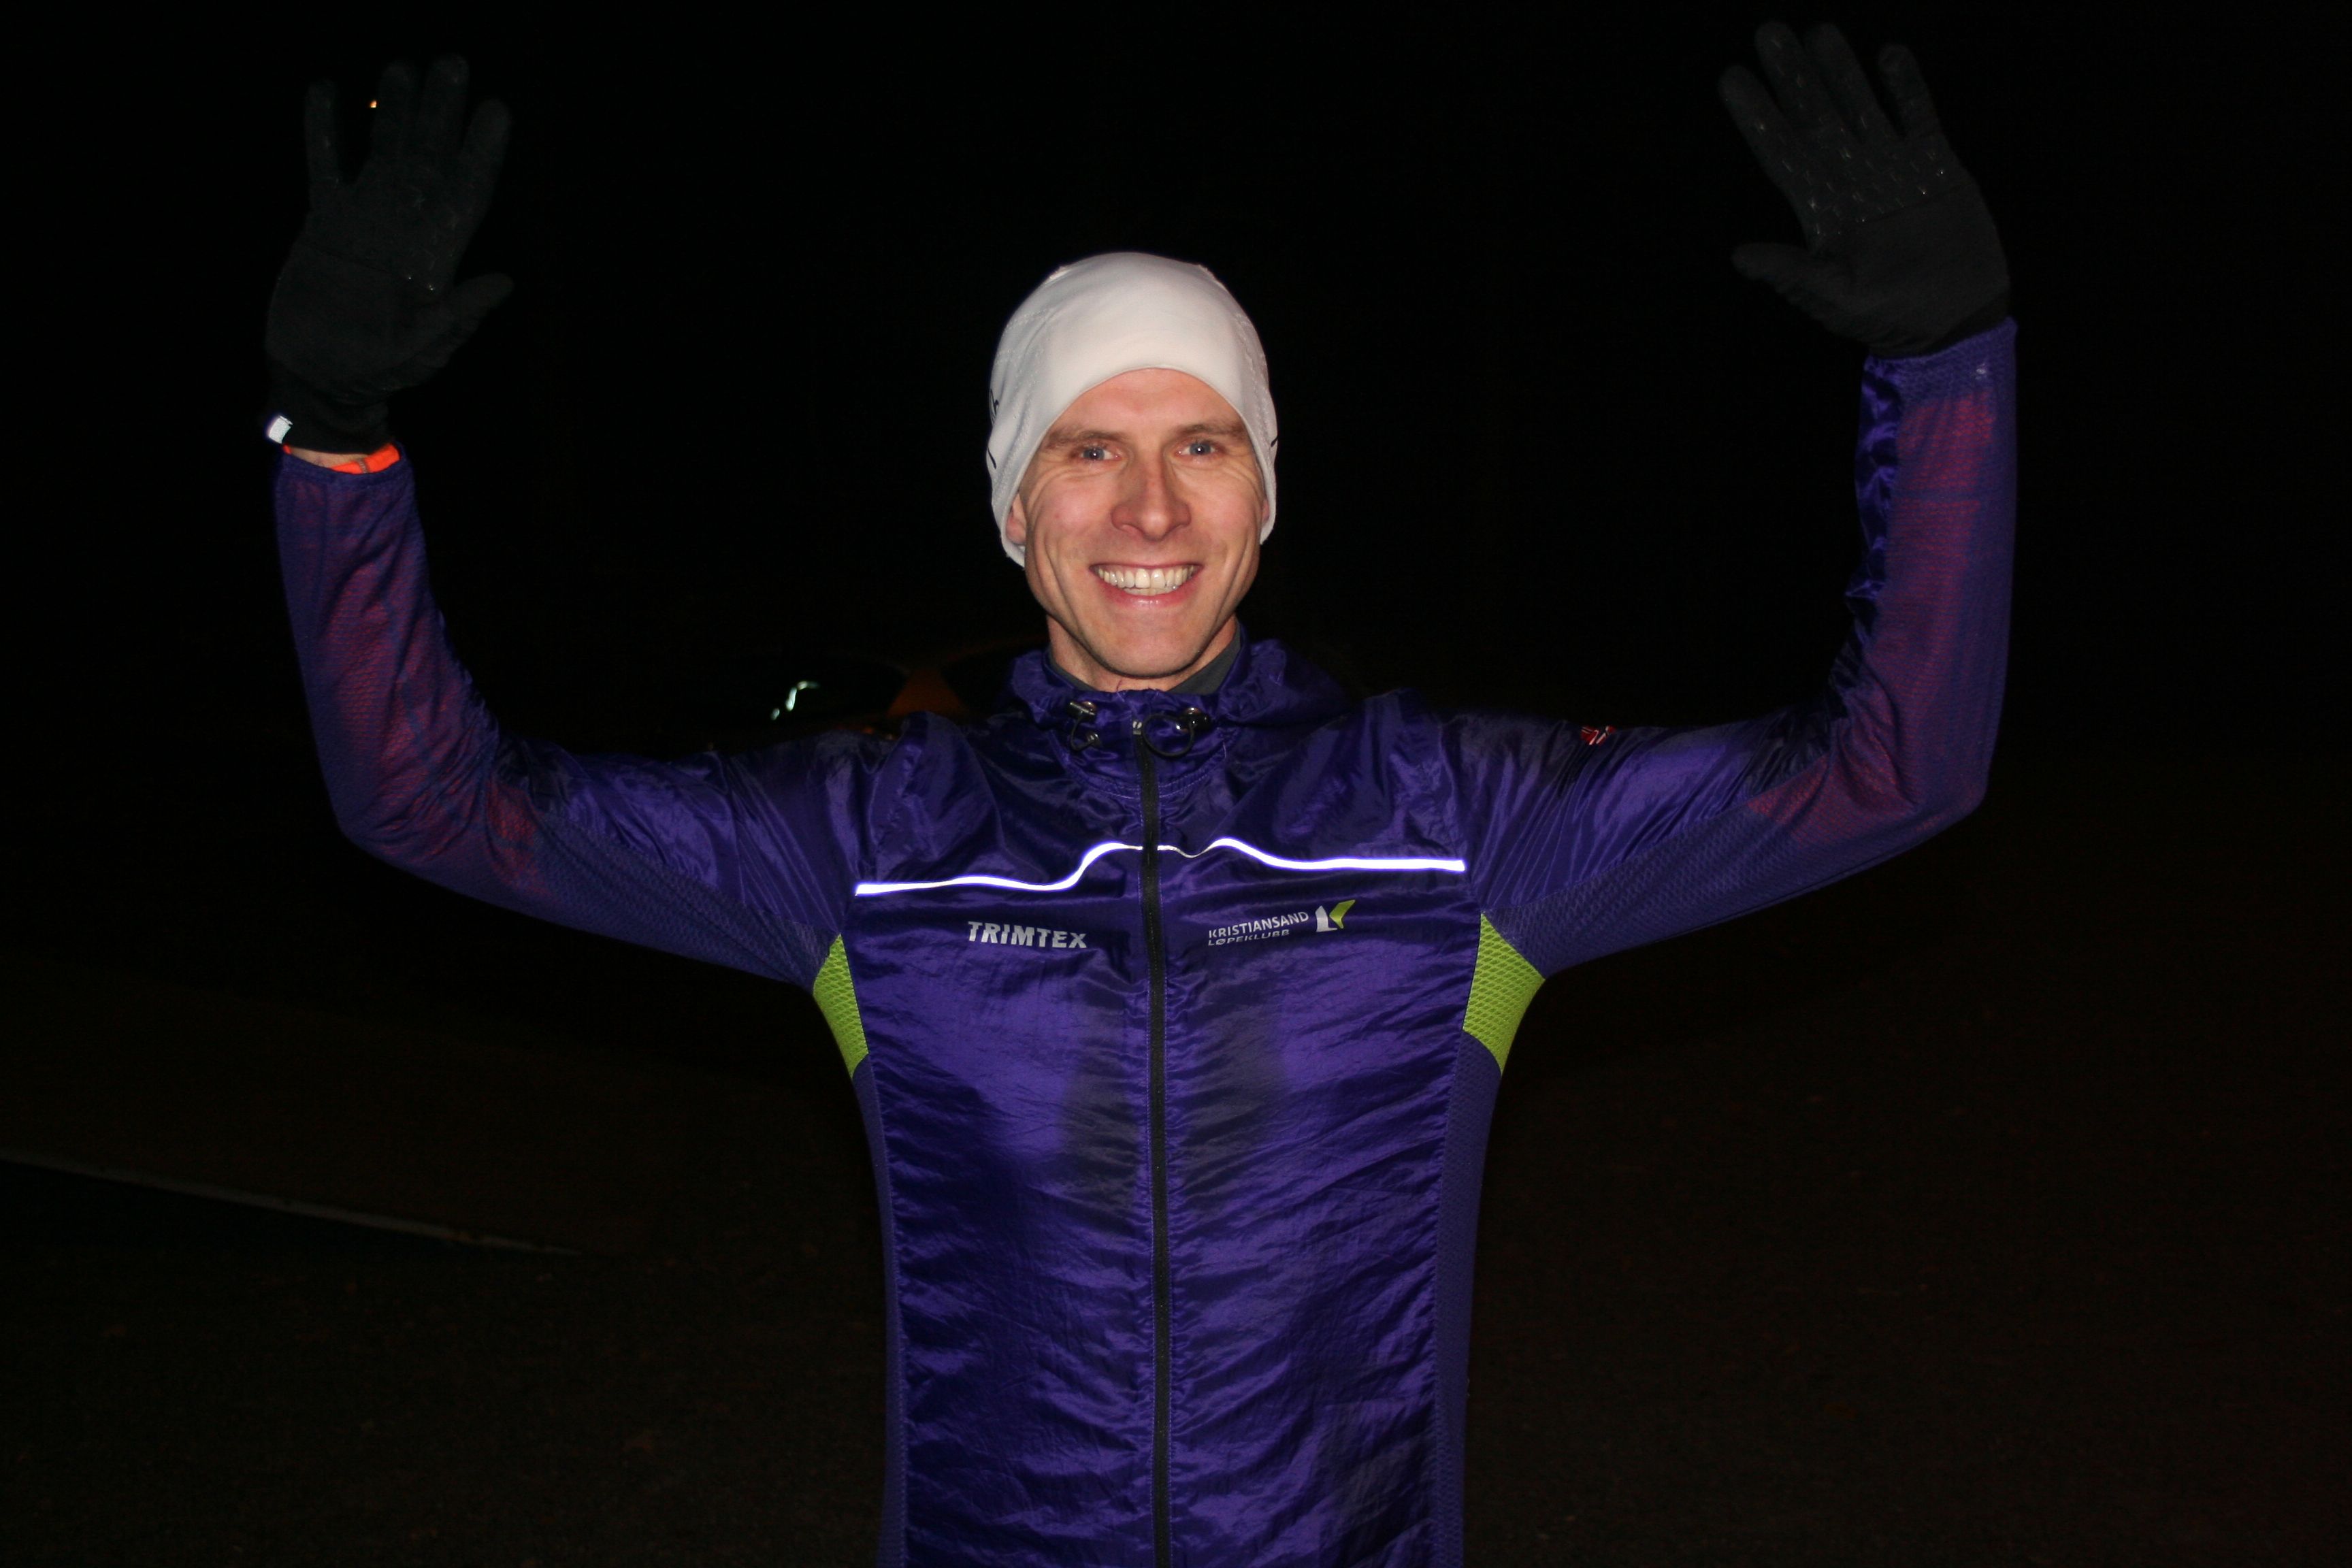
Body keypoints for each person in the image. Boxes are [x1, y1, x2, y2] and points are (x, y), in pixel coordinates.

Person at [263, 22, 2014, 1567]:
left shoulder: (1454, 824)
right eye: (1089, 448)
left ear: (1265, 493)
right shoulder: (866, 844)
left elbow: (1889, 771)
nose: (1152, 511)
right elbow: (434, 802)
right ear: (1014, 509)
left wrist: (1945, 375)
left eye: (1203, 446)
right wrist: (334, 441)